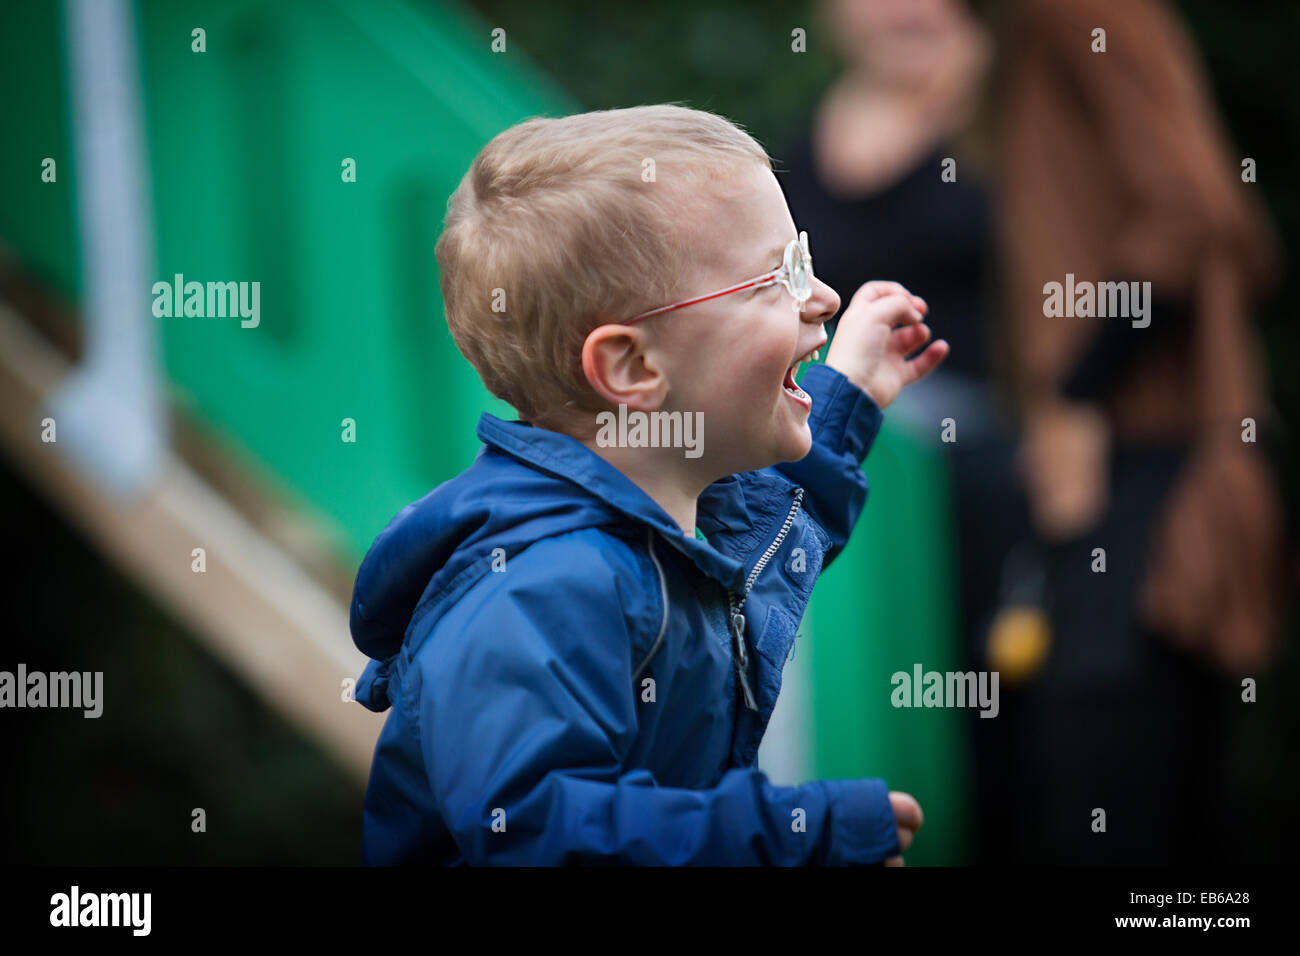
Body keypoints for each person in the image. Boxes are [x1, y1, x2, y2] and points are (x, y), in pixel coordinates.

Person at [347, 104, 946, 864]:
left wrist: (847, 392)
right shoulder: (543, 588)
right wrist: (794, 836)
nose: (822, 296)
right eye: (776, 277)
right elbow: (538, 834)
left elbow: (771, 535)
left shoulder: (676, 513)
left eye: (803, 257)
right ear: (632, 369)